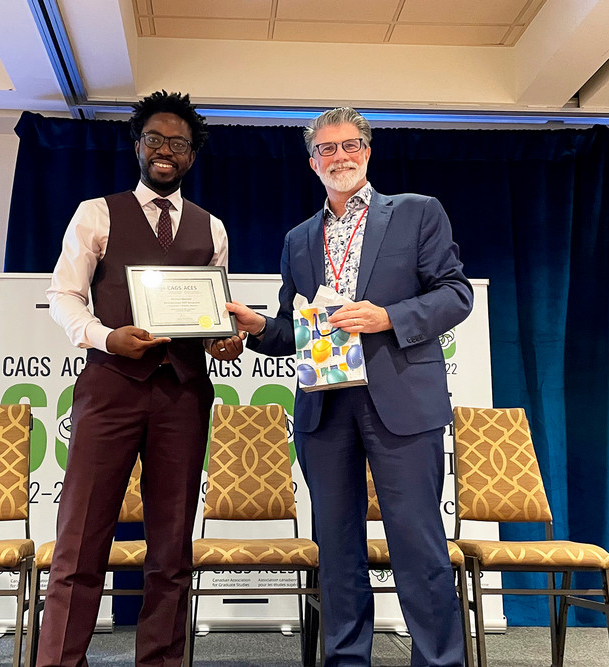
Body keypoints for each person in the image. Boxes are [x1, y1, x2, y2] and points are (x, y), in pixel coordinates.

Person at [226, 107, 473, 666]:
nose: (339, 156)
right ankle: (344, 661)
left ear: (367, 150)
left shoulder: (417, 213)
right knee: (337, 551)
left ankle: (439, 662)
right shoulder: (298, 238)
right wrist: (259, 327)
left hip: (401, 401)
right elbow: (296, 326)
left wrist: (386, 316)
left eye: (349, 145)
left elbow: (456, 294)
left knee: (418, 544)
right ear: (313, 162)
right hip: (324, 407)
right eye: (327, 149)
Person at [39, 90, 243, 667]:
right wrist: (109, 337)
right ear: (138, 145)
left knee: (172, 546)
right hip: (109, 387)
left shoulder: (212, 228)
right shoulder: (96, 213)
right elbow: (64, 297)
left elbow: (211, 312)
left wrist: (223, 341)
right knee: (79, 541)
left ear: (191, 156)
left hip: (183, 393)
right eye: (155, 139)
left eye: (178, 144)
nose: (165, 151)